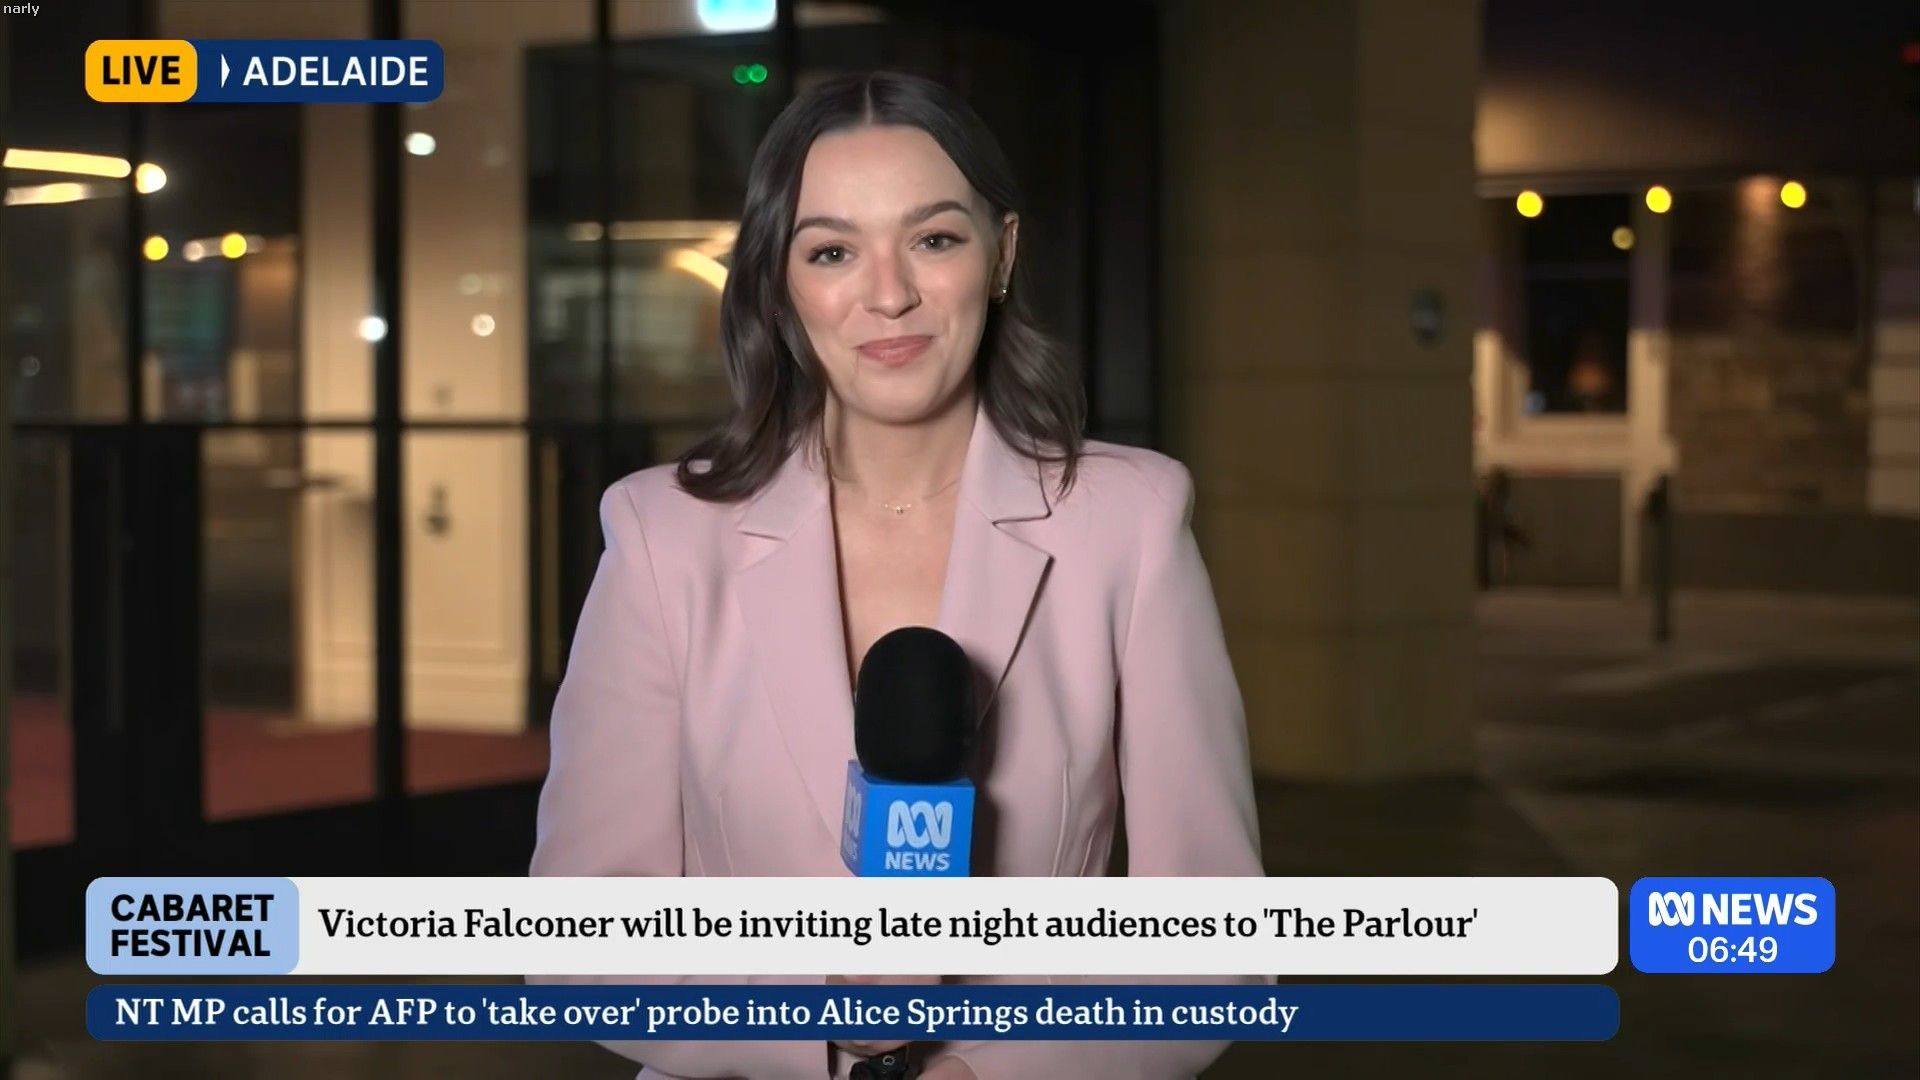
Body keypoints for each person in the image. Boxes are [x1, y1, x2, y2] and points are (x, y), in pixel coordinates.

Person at [530, 70, 1266, 1080]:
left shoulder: (1129, 523)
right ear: (779, 283)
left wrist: (989, 1073)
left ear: (1001, 255)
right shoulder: (662, 534)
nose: (888, 294)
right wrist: (818, 1020)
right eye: (832, 251)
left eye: (934, 239)